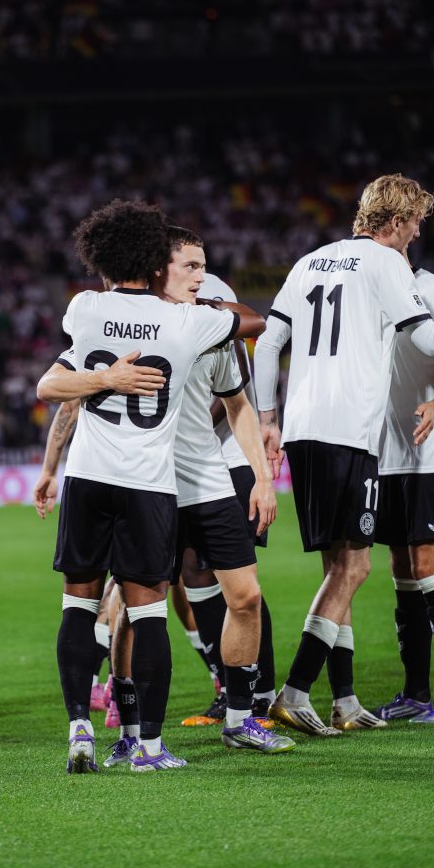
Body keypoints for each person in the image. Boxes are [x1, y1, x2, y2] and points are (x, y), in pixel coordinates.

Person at [36, 198, 255, 773]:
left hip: (87, 477)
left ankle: (80, 729)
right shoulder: (188, 322)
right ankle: (150, 750)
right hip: (147, 484)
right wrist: (205, 302)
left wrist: (105, 377)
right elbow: (250, 319)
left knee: (79, 605)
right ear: (157, 259)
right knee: (148, 612)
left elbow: (48, 387)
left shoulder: (83, 308)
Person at [254, 173, 434, 736]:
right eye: (415, 224)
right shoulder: (387, 263)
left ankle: (345, 699)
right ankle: (294, 691)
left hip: (303, 427)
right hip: (350, 430)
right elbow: (425, 339)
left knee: (337, 565)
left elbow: (268, 342)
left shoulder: (310, 260)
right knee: (355, 566)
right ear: (396, 221)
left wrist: (267, 419)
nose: (416, 235)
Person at [103, 227, 294, 760]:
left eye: (203, 265)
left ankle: (240, 719)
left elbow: (237, 404)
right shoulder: (127, 324)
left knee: (246, 596)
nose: (201, 276)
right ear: (157, 269)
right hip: (150, 483)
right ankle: (131, 728)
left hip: (208, 478)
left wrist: (261, 479)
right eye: (190, 266)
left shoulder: (209, 326)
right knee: (137, 608)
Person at [177, 262, 277, 729]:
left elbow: (233, 368)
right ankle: (226, 687)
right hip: (190, 463)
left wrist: (192, 424)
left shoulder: (207, 288)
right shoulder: (153, 293)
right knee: (193, 572)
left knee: (239, 579)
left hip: (231, 454)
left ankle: (262, 692)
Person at [373, 265, 434, 722]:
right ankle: (416, 693)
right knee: (402, 568)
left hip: (429, 451)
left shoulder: (430, 288)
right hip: (385, 453)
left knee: (428, 563)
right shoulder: (364, 286)